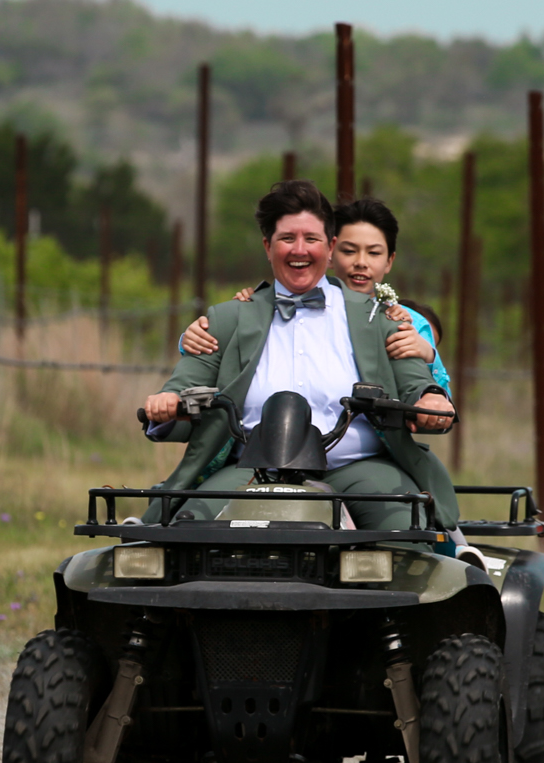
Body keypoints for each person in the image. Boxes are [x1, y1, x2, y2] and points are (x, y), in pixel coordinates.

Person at [141, 180, 458, 531]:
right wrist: (168, 400)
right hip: (250, 469)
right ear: (267, 246)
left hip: (356, 467)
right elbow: (187, 380)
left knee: (406, 529)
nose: (299, 250)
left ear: (330, 245)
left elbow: (414, 379)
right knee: (188, 531)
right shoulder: (228, 318)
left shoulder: (379, 317)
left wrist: (432, 398)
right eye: (287, 239)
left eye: (311, 239)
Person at [181, 196, 449, 394]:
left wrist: (428, 354)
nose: (361, 262)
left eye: (374, 252)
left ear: (390, 261)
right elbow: (219, 344)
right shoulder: (271, 300)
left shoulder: (403, 322)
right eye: (349, 250)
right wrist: (196, 335)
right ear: (330, 252)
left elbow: (439, 399)